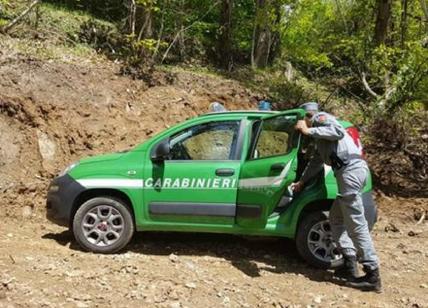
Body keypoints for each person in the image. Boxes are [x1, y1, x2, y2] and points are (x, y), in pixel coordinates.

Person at [291, 103, 382, 292]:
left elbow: (337, 130)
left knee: (356, 225)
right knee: (336, 219)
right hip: (348, 172)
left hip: (350, 171)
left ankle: (372, 274)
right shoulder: (320, 139)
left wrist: (308, 129)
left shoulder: (320, 118)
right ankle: (349, 265)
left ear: (307, 115)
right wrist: (301, 182)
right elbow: (315, 163)